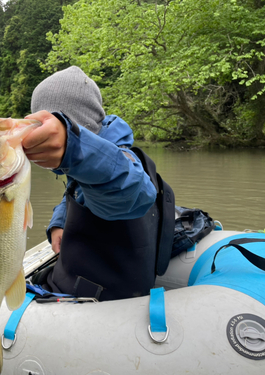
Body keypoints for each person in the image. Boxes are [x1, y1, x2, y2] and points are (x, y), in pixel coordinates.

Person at [22, 66, 166, 301]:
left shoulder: (122, 161)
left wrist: (75, 148)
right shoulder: (82, 166)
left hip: (104, 298)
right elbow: (76, 190)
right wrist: (59, 221)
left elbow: (133, 192)